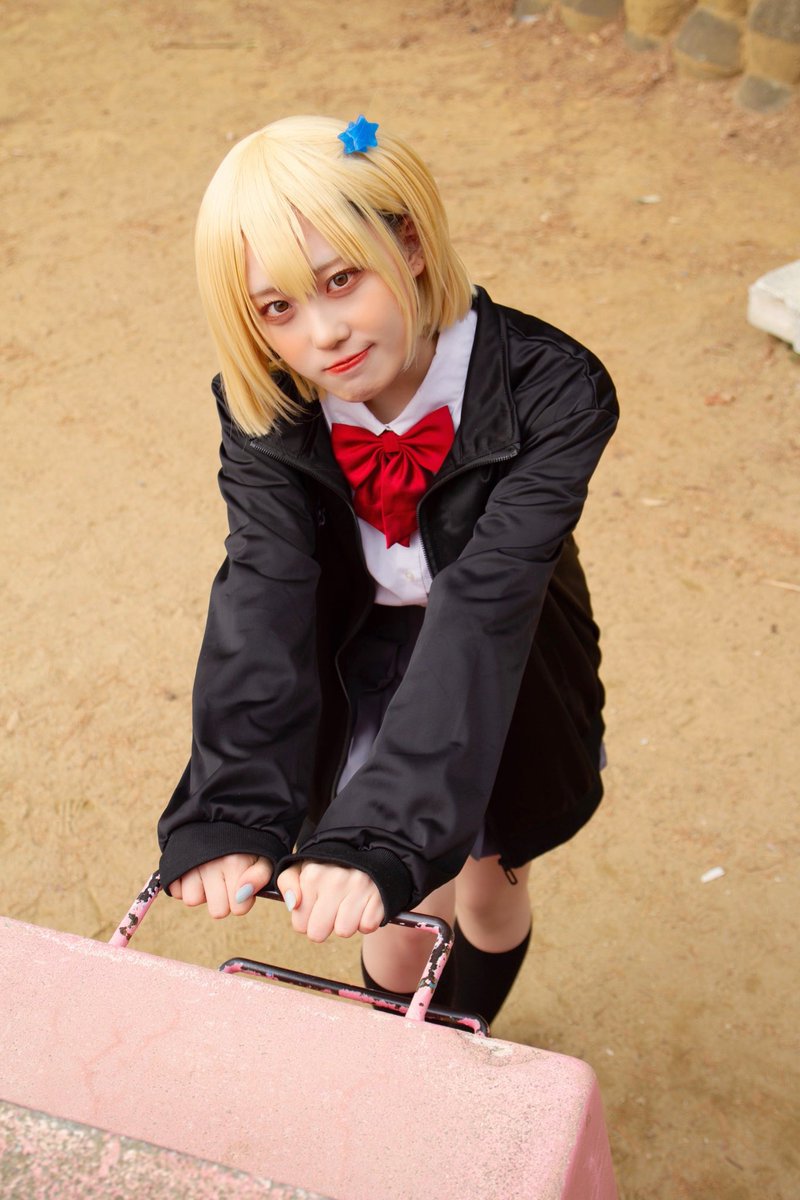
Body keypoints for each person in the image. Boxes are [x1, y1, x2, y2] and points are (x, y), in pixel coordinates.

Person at [157, 114, 619, 1027]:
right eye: (278, 308)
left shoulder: (553, 390)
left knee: (489, 892)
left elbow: (486, 600)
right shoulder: (268, 406)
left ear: (407, 243)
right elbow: (265, 584)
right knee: (402, 925)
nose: (325, 333)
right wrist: (233, 804)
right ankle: (395, 1066)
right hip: (360, 659)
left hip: (505, 662)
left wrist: (382, 833)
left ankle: (462, 1049)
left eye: (341, 280)